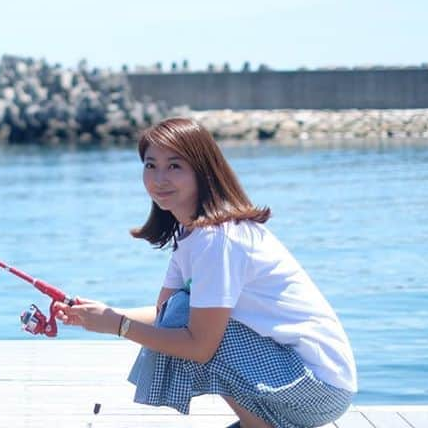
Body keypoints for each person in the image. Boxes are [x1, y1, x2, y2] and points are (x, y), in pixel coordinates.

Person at [54, 117, 357, 428]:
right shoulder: (191, 236)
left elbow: (200, 346)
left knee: (200, 330)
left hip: (316, 388)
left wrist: (119, 326)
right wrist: (98, 315)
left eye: (174, 166)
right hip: (293, 378)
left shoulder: (218, 239)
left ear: (203, 170)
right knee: (181, 317)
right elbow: (165, 314)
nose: (159, 179)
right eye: (150, 165)